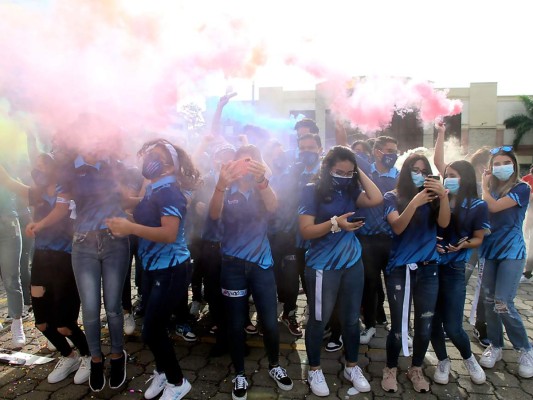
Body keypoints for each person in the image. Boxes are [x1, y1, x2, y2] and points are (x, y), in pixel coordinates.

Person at [28, 115, 131, 392]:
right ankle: (95, 359)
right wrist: (40, 224)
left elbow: (126, 197)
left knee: (112, 308)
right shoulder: (68, 171)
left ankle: (118, 354)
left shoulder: (113, 163)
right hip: (83, 244)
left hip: (115, 242)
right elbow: (62, 207)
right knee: (89, 310)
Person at [107, 139, 199, 400]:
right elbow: (146, 214)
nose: (149, 160)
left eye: (156, 156)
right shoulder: (155, 189)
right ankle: (162, 371)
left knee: (151, 329)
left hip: (170, 268)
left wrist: (130, 228)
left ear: (171, 166)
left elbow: (169, 234)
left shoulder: (170, 192)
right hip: (152, 267)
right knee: (154, 326)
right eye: (148, 155)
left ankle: (178, 382)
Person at [209, 144, 293, 400]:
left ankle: (275, 365)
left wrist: (261, 180)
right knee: (235, 323)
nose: (247, 165)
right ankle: (240, 374)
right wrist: (221, 185)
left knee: (269, 321)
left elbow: (274, 207)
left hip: (262, 264)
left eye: (252, 160)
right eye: (242, 161)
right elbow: (214, 215)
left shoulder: (264, 184)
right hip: (232, 264)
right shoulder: (225, 186)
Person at [299, 145, 382, 396]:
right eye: (339, 171)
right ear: (326, 168)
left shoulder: (351, 188)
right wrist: (336, 224)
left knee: (350, 320)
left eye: (349, 172)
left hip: (352, 263)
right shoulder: (311, 191)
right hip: (323, 265)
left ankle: (352, 366)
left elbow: (376, 197)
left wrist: (358, 172)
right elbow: (306, 231)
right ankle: (314, 369)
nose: (344, 177)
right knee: (318, 320)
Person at [0, 154, 91, 384]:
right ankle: (68, 356)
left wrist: (39, 224)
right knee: (42, 322)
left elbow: (61, 212)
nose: (37, 170)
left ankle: (89, 357)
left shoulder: (67, 191)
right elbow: (9, 182)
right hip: (41, 259)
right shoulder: (36, 192)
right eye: (36, 166)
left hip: (66, 261)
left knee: (64, 323)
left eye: (42, 166)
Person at [381, 153, 450, 393]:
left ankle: (416, 368)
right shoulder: (392, 196)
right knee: (399, 327)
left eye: (423, 170)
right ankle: (390, 367)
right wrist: (415, 202)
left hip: (428, 269)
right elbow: (397, 227)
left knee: (424, 325)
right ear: (405, 170)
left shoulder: (434, 198)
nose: (419, 173)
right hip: (399, 270)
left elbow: (443, 224)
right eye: (414, 169)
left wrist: (442, 196)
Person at [429, 130, 489, 385]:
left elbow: (478, 238)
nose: (447, 179)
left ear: (463, 179)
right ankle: (442, 361)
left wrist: (464, 246)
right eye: (445, 176)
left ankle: (468, 359)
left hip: (454, 269)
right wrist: (441, 133)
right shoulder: (434, 199)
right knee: (431, 321)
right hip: (429, 268)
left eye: (452, 177)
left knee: (453, 325)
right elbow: (438, 159)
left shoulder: (476, 205)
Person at [478, 146, 533, 378]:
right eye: (496, 163)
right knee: (488, 301)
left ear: (513, 165)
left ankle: (525, 349)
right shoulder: (491, 190)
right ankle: (496, 346)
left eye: (505, 163)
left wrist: (484, 187)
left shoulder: (522, 188)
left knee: (503, 302)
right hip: (489, 251)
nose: (501, 167)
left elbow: (493, 207)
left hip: (511, 252)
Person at [357, 136, 399, 345]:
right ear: (377, 152)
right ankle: (370, 325)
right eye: (388, 150)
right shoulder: (364, 174)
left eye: (394, 150)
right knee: (370, 284)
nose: (393, 154)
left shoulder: (400, 177)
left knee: (394, 285)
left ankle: (400, 327)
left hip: (393, 240)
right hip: (366, 240)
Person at [0, 163, 26, 347]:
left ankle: (17, 322)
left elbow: (18, 188)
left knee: (11, 277)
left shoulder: (7, 162)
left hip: (8, 226)